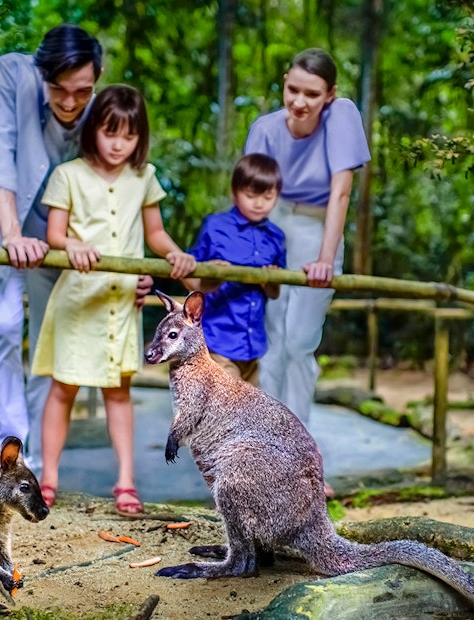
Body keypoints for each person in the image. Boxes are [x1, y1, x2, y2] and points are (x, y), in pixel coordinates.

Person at [0, 24, 152, 476]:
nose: (70, 102)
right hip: (4, 229)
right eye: (58, 89)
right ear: (41, 73)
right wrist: (12, 235)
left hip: (65, 246)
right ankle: (7, 454)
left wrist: (128, 271)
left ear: (98, 76)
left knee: (50, 351)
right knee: (6, 328)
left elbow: (121, 195)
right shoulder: (13, 75)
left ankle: (32, 465)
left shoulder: (99, 110)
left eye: (82, 91)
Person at [32, 84, 196, 516]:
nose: (119, 144)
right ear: (93, 131)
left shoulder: (144, 177)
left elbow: (155, 233)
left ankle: (126, 480)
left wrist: (174, 253)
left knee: (119, 391)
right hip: (76, 299)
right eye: (110, 133)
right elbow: (53, 233)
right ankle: (47, 478)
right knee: (63, 388)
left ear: (140, 137)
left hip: (122, 303)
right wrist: (71, 245)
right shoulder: (68, 175)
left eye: (129, 135)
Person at [243, 47, 371, 424]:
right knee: (273, 340)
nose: (300, 102)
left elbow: (341, 193)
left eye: (312, 94)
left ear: (330, 94)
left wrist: (326, 259)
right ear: (284, 83)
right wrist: (256, 253)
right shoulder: (265, 129)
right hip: (272, 223)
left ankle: (301, 451)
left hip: (318, 227)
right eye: (293, 90)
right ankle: (267, 449)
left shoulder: (342, 116)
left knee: (300, 341)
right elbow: (252, 199)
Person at [183, 153, 286, 385]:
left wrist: (269, 280)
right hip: (217, 340)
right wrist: (211, 279)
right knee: (232, 409)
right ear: (234, 192)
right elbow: (187, 275)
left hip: (252, 346)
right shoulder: (215, 226)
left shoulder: (276, 237)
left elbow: (274, 293)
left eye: (268, 196)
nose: (259, 203)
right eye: (250, 195)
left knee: (247, 415)